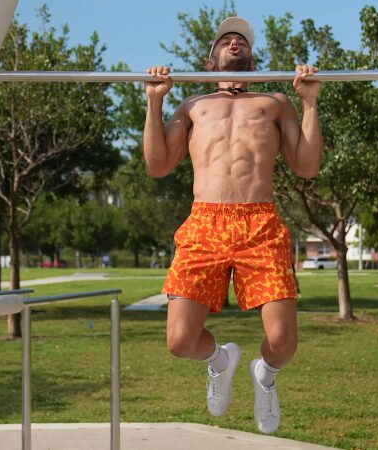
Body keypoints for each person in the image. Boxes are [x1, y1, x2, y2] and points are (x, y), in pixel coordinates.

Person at [143, 16, 322, 434]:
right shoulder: (193, 106)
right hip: (205, 221)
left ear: (253, 58)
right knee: (180, 342)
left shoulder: (275, 102)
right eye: (226, 39)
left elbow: (307, 166)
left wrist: (310, 101)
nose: (234, 42)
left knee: (284, 344)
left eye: (240, 39)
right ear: (211, 62)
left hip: (259, 223)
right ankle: (219, 361)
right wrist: (154, 101)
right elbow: (157, 165)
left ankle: (264, 374)